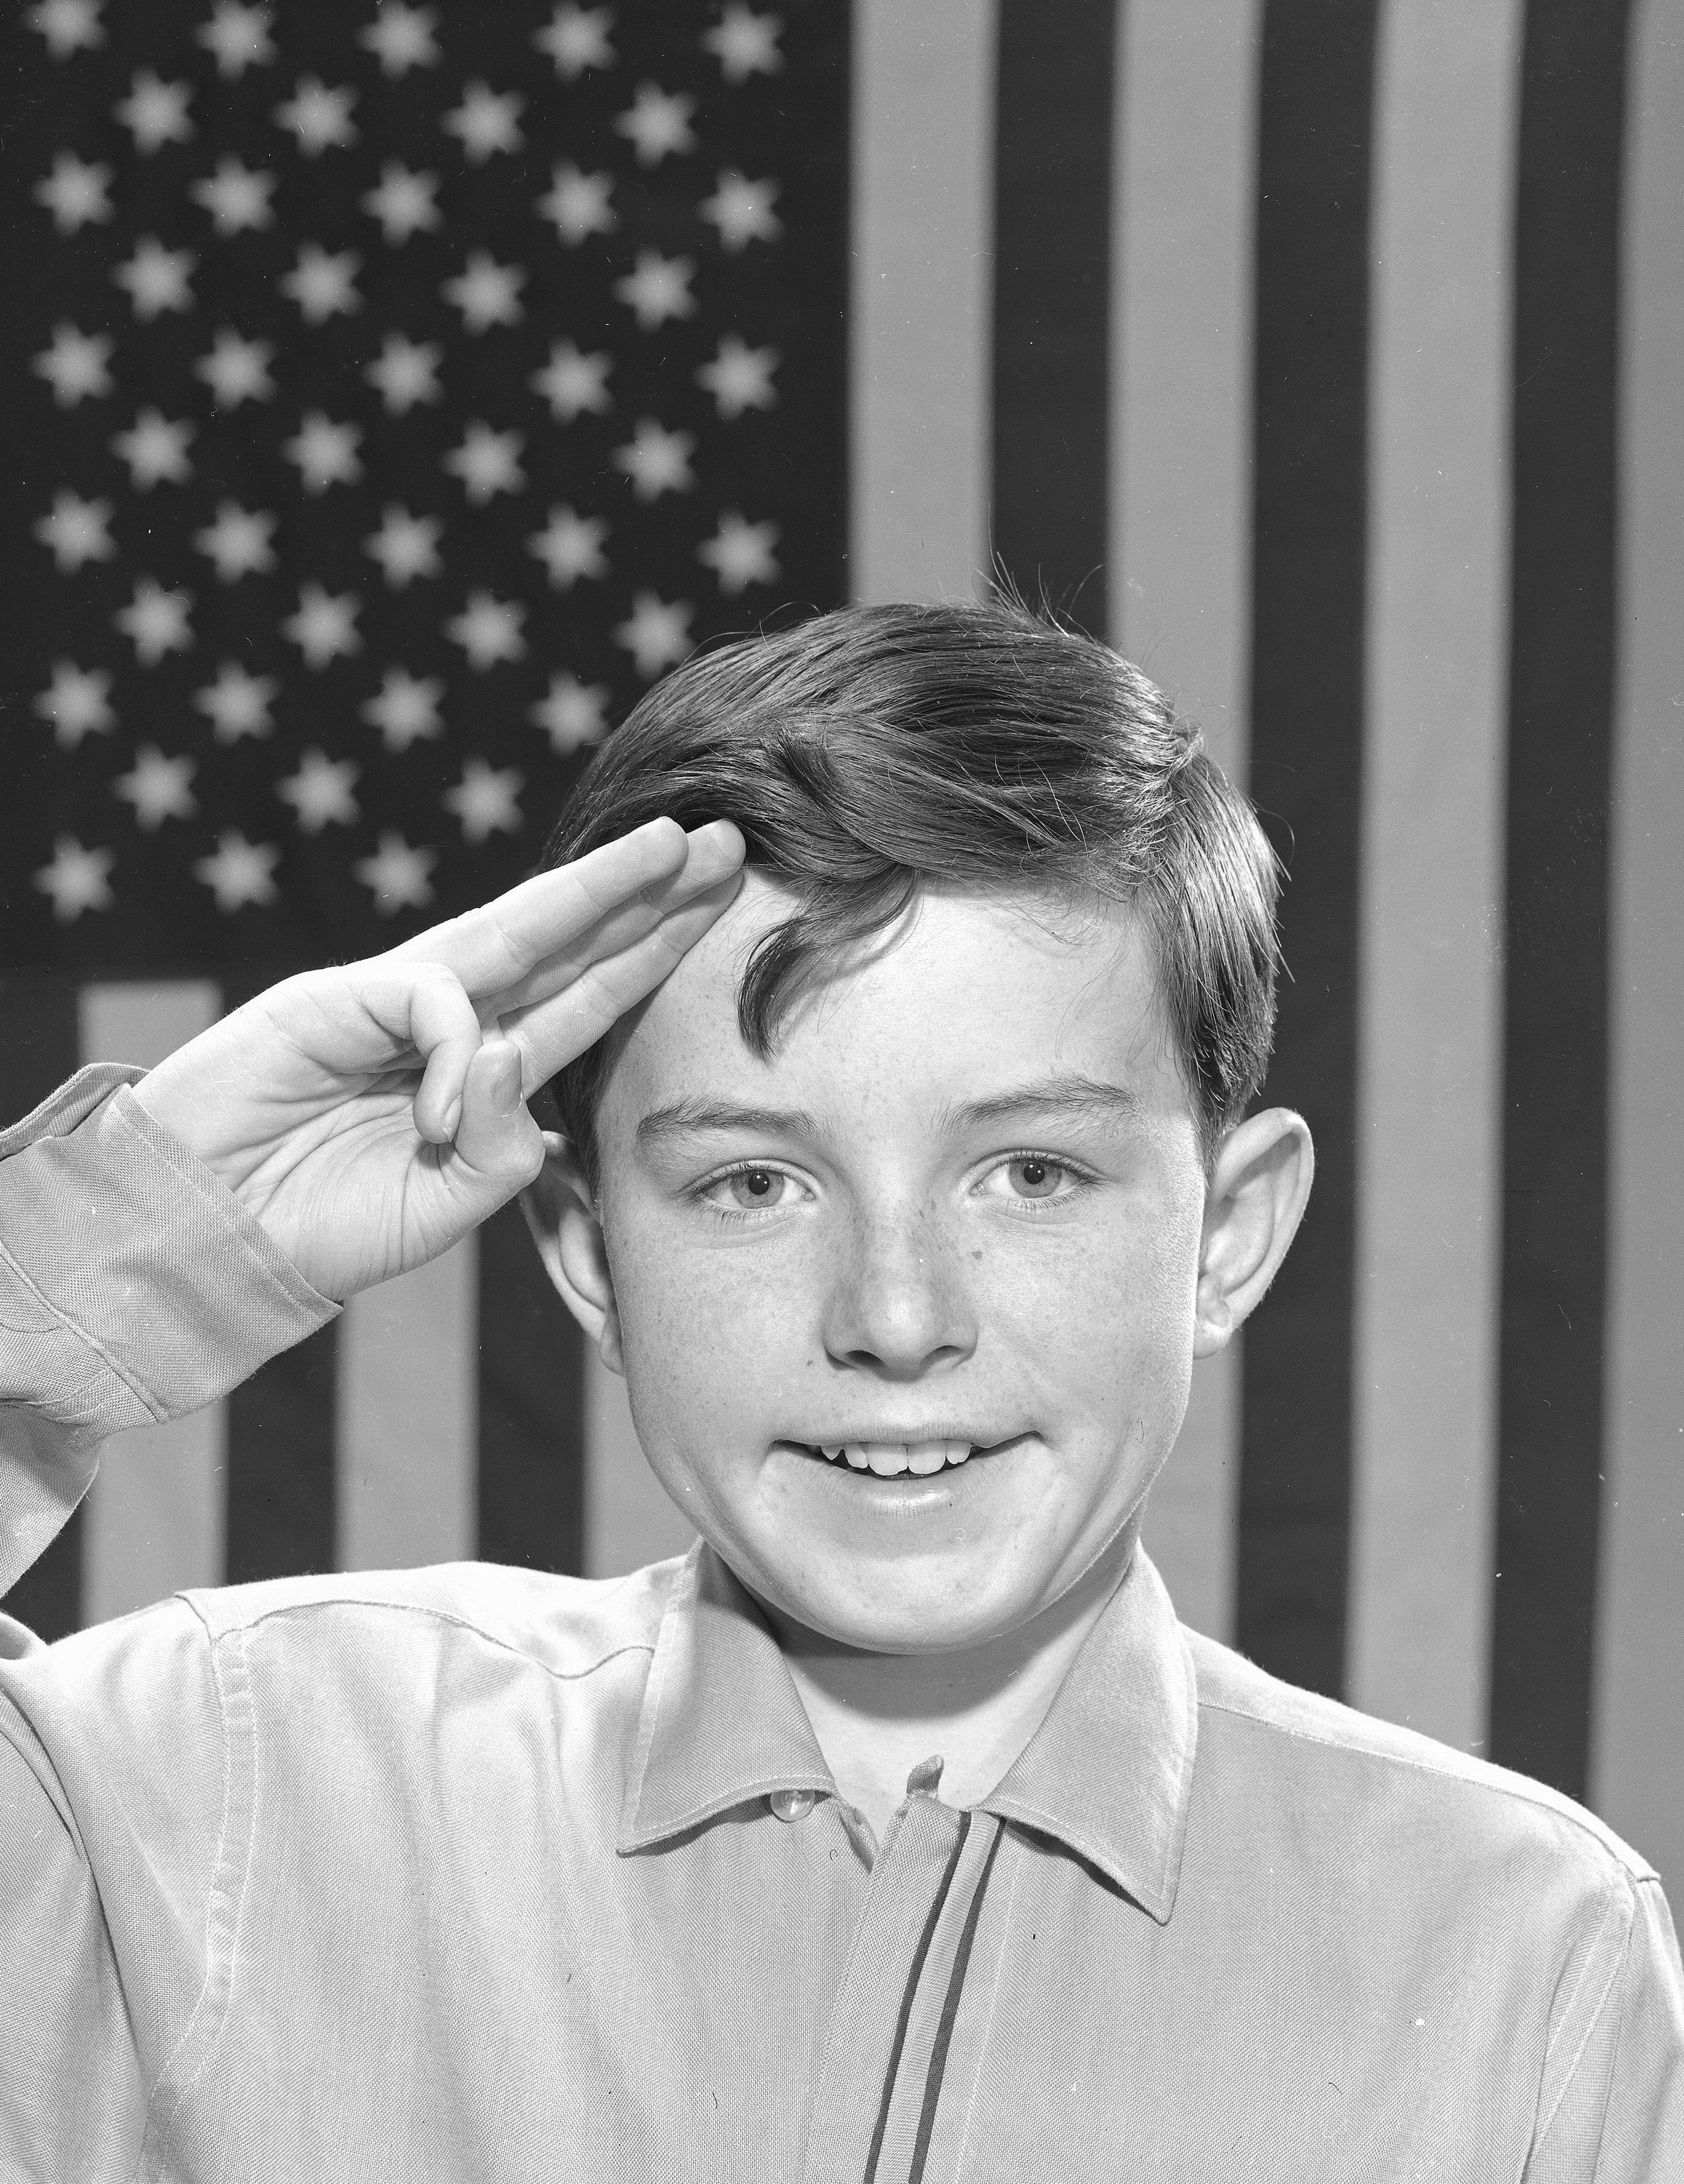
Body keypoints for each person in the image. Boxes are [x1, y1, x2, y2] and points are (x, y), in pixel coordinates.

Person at [1, 599, 1679, 2180]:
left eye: (1029, 1171)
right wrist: (110, 1238)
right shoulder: (218, 1787)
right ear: (591, 1258)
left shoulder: (1525, 1960)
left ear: (1226, 1236)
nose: (893, 1315)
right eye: (752, 1183)